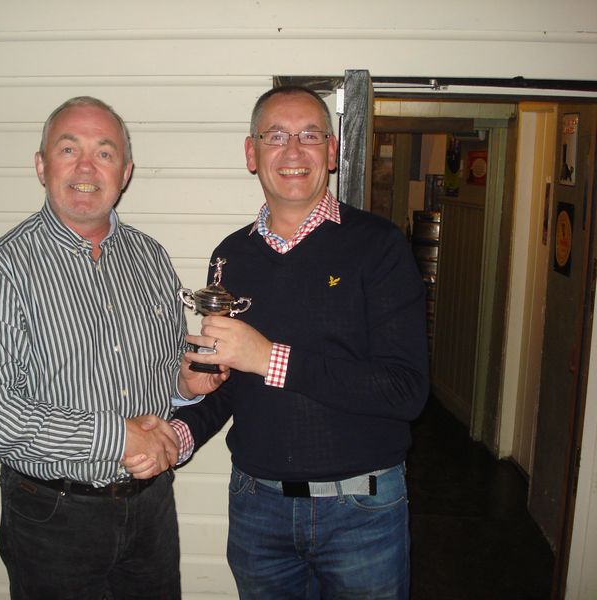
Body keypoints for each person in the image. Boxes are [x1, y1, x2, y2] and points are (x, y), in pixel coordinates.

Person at [144, 86, 429, 599]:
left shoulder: (380, 246)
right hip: (258, 508)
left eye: (309, 136)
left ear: (333, 150)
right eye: (275, 136)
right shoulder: (231, 256)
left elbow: (404, 391)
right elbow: (233, 385)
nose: (293, 151)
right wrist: (178, 432)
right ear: (251, 153)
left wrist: (267, 356)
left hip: (361, 511)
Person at [0, 96, 226, 599]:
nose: (86, 167)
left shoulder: (150, 258)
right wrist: (118, 438)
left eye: (104, 153)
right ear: (41, 166)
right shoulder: (3, 269)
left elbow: (161, 371)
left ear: (124, 171)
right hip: (53, 516)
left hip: (151, 506)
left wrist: (186, 385)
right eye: (68, 149)